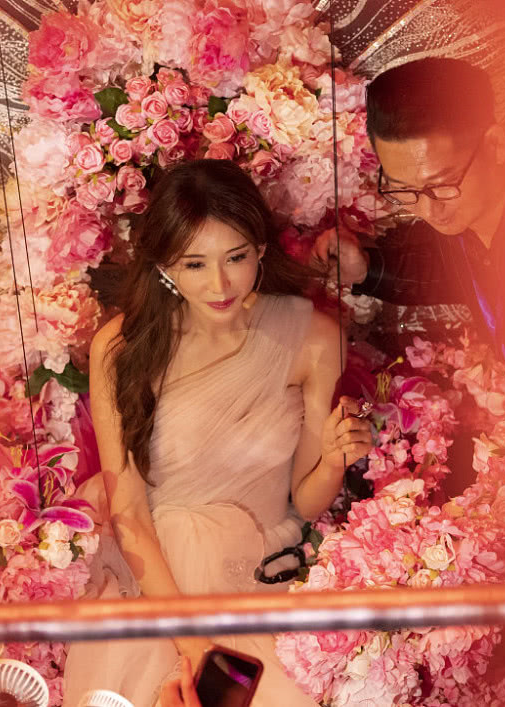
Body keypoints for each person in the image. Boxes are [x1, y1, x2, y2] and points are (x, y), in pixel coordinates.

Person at [62, 159, 372, 707]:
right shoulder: (122, 347)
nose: (220, 284)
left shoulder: (313, 338)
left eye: (236, 257)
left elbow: (304, 502)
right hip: (156, 585)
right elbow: (128, 513)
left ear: (260, 248)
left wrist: (332, 460)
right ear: (164, 264)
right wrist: (193, 646)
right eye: (195, 264)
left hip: (258, 577)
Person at [314, 56, 505, 466]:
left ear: (494, 145)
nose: (428, 210)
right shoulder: (464, 214)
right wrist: (366, 269)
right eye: (403, 190)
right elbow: (455, 269)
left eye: (441, 185)